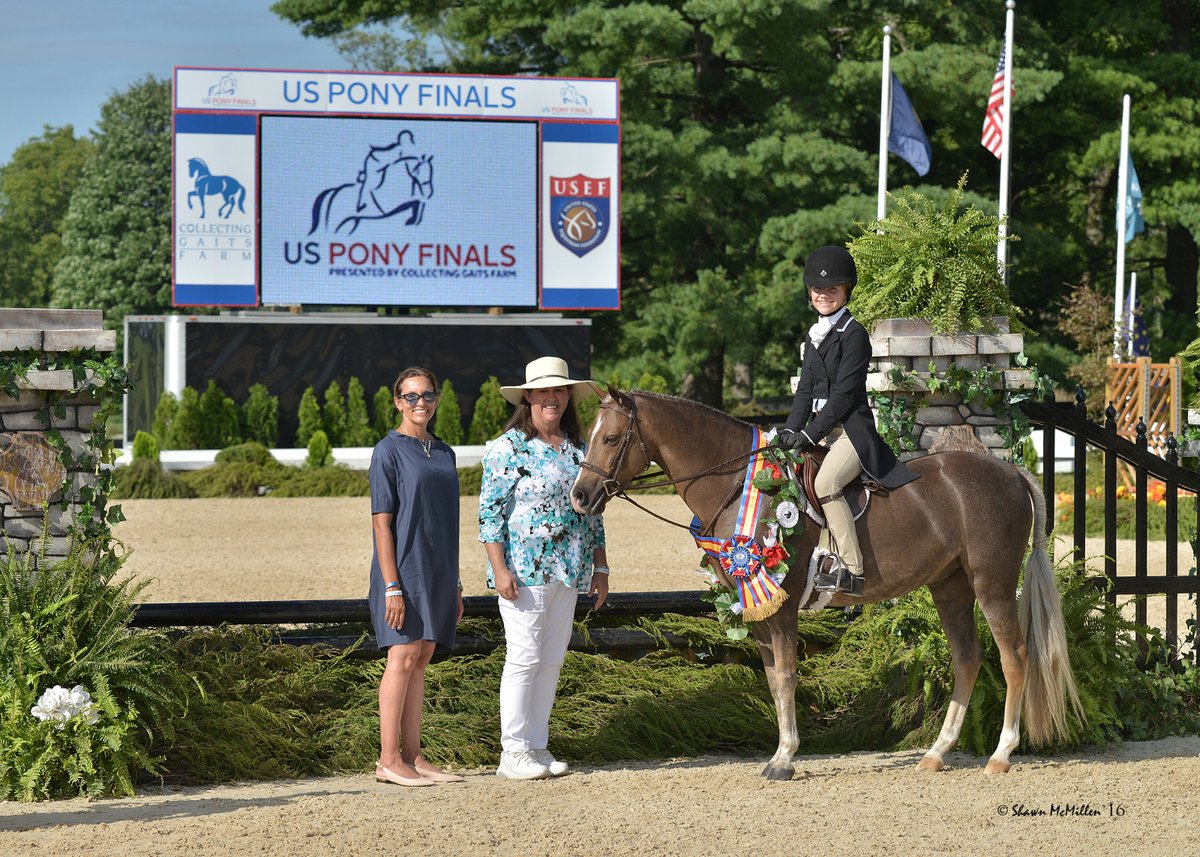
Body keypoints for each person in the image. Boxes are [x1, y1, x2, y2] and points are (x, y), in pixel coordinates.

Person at [479, 356, 609, 780]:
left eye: (559, 390)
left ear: (567, 396)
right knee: (524, 657)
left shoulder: (577, 450)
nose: (551, 398)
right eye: (543, 391)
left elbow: (593, 511)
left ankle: (536, 746)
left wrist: (601, 566)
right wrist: (499, 569)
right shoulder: (507, 448)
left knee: (551, 659)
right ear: (529, 397)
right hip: (524, 571)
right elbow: (489, 516)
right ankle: (512, 751)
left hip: (569, 569)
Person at [777, 246, 919, 596]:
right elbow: (805, 392)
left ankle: (852, 570)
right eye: (818, 289)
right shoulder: (815, 337)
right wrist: (791, 430)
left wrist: (809, 434)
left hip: (852, 433)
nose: (824, 294)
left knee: (826, 484)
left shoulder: (854, 335)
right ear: (809, 293)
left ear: (846, 291)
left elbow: (842, 396)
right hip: (822, 432)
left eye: (833, 288)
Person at [368, 367, 464, 787]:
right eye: (410, 396)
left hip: (438, 569)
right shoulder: (387, 451)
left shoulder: (444, 453)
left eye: (427, 394)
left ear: (437, 398)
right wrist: (392, 585)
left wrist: (456, 583)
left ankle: (414, 756)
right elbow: (381, 524)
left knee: (422, 657)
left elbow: (449, 522)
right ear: (397, 402)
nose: (419, 402)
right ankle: (388, 759)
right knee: (402, 657)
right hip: (403, 571)